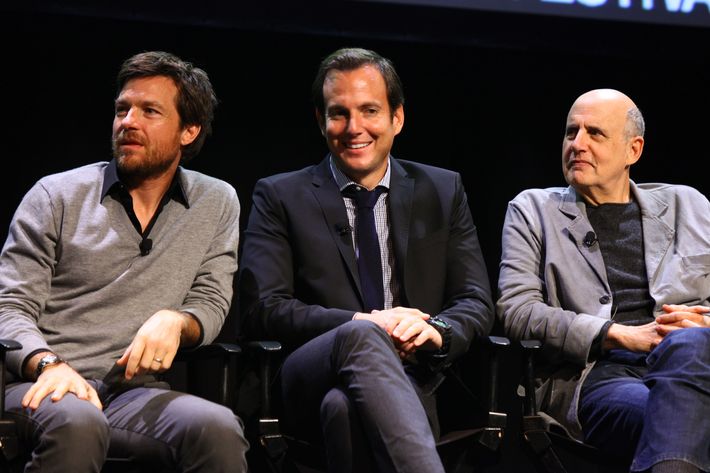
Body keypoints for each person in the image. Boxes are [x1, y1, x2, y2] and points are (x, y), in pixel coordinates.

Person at [238, 47, 494, 473]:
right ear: (320, 121)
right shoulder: (280, 195)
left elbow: (475, 300)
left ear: (397, 118)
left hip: (416, 376)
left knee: (343, 410)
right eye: (339, 113)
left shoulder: (443, 190)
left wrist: (435, 331)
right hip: (309, 374)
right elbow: (264, 308)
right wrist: (363, 324)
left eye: (369, 111)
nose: (353, 128)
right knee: (362, 338)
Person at [0, 51, 248, 472]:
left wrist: (177, 320)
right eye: (122, 109)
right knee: (78, 422)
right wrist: (49, 364)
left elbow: (211, 300)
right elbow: (10, 307)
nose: (128, 122)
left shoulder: (216, 201)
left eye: (149, 111)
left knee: (218, 427)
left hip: (131, 394)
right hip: (40, 385)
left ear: (189, 130)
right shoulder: (56, 195)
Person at [497, 88, 710, 473]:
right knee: (676, 419)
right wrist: (619, 334)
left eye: (594, 133)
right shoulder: (533, 210)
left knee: (690, 348)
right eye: (570, 132)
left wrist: (704, 325)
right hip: (600, 376)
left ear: (633, 150)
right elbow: (517, 310)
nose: (577, 144)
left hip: (693, 366)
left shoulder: (688, 205)